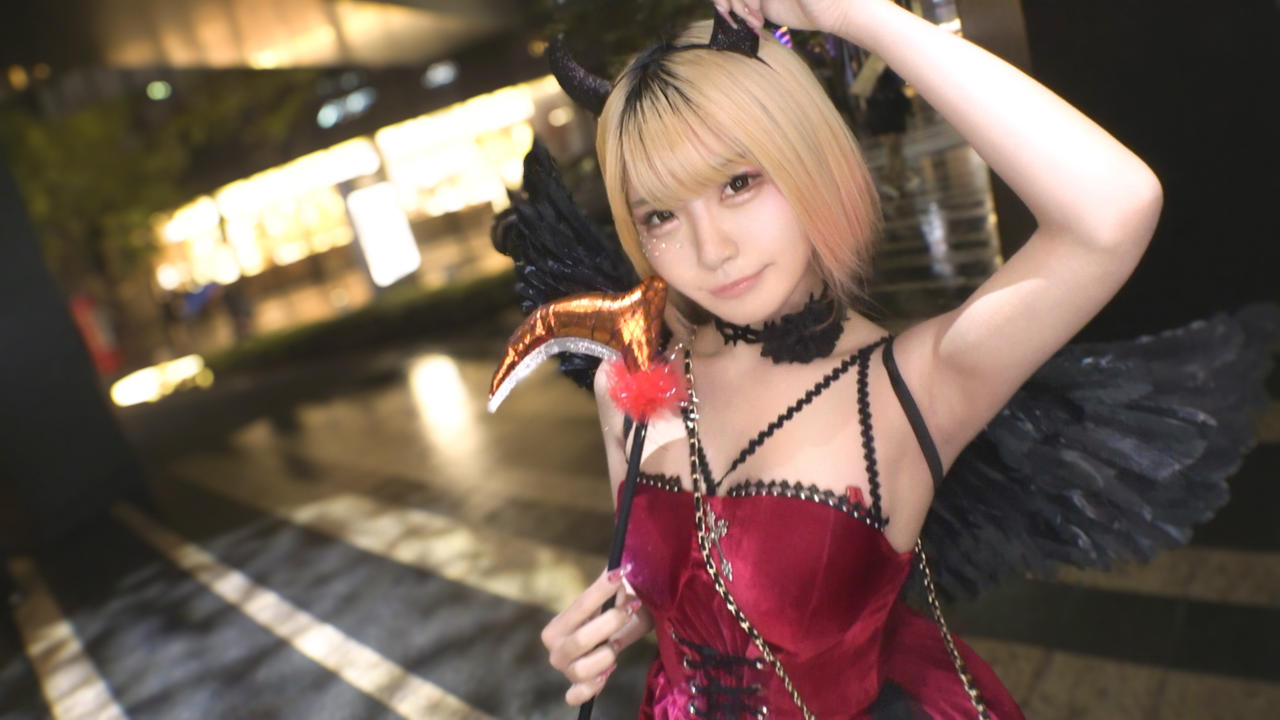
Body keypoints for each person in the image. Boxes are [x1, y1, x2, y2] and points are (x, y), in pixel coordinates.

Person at [532, 1, 1166, 717]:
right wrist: (615, 621)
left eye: (738, 182)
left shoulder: (910, 388)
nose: (711, 250)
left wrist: (861, 17)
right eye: (661, 215)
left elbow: (1114, 212)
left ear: (806, 157)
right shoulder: (630, 385)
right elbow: (672, 584)